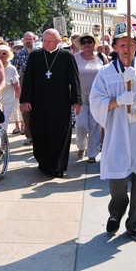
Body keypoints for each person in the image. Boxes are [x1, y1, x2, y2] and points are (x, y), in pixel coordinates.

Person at [90, 22, 136, 242]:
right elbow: (96, 102)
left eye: (131, 45)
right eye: (122, 44)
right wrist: (117, 101)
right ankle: (116, 212)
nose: (126, 49)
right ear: (114, 47)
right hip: (118, 132)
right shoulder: (105, 73)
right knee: (117, 180)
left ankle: (135, 224)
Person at [20, 28, 81, 177]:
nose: (46, 44)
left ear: (58, 42)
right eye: (45, 40)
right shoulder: (35, 55)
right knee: (40, 132)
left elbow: (74, 80)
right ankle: (44, 163)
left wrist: (77, 101)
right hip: (39, 101)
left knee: (59, 134)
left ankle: (57, 166)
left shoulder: (66, 56)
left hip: (60, 102)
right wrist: (25, 99)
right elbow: (28, 79)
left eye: (49, 41)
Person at [73, 33, 107, 163]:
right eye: (84, 42)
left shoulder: (101, 57)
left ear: (94, 43)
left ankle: (92, 153)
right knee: (81, 125)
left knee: (95, 125)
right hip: (80, 97)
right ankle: (81, 146)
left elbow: (106, 74)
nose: (86, 44)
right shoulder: (75, 58)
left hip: (97, 97)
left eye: (89, 41)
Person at [13, 31, 37, 145]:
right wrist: (16, 88)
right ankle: (29, 135)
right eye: (26, 39)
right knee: (25, 110)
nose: (28, 41)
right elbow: (15, 70)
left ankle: (39, 135)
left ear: (34, 40)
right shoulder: (19, 54)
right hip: (23, 81)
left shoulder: (39, 52)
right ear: (23, 41)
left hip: (39, 82)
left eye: (30, 39)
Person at [0, 44, 20, 132]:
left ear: (8, 56)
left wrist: (21, 101)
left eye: (4, 53)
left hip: (8, 100)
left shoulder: (12, 69)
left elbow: (17, 87)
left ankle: (1, 144)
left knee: (3, 122)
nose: (1, 55)